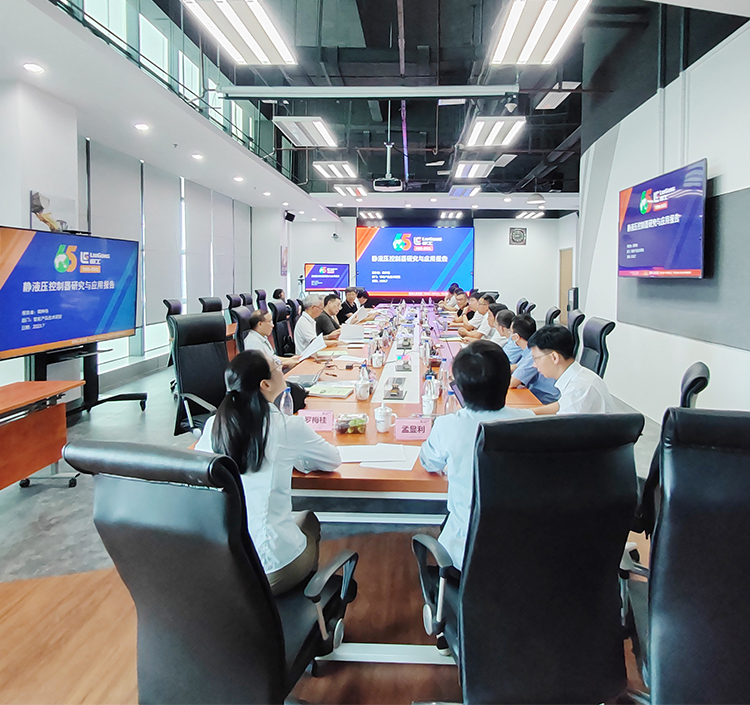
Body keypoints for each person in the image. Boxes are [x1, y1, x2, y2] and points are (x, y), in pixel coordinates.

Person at [195, 351, 341, 594]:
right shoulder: (287, 426)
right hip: (272, 568)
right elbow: (332, 460)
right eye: (278, 368)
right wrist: (300, 460)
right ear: (265, 385)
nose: (283, 371)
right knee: (308, 521)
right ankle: (304, 598)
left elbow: (199, 476)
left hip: (224, 565)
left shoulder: (214, 426)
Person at [420, 340, 535, 570]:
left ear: (460, 389)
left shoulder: (448, 425)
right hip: (526, 550)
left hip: (466, 555)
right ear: (506, 382)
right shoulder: (530, 421)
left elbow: (429, 462)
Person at [527, 325, 616, 415]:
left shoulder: (578, 390)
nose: (534, 365)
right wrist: (526, 413)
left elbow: (564, 422)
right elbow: (560, 405)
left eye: (536, 359)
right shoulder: (579, 376)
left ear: (554, 357)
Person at [508, 315, 560, 405]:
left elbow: (512, 383)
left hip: (544, 399)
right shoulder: (529, 351)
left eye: (511, 333)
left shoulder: (533, 354)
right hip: (536, 394)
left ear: (516, 337)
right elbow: (516, 367)